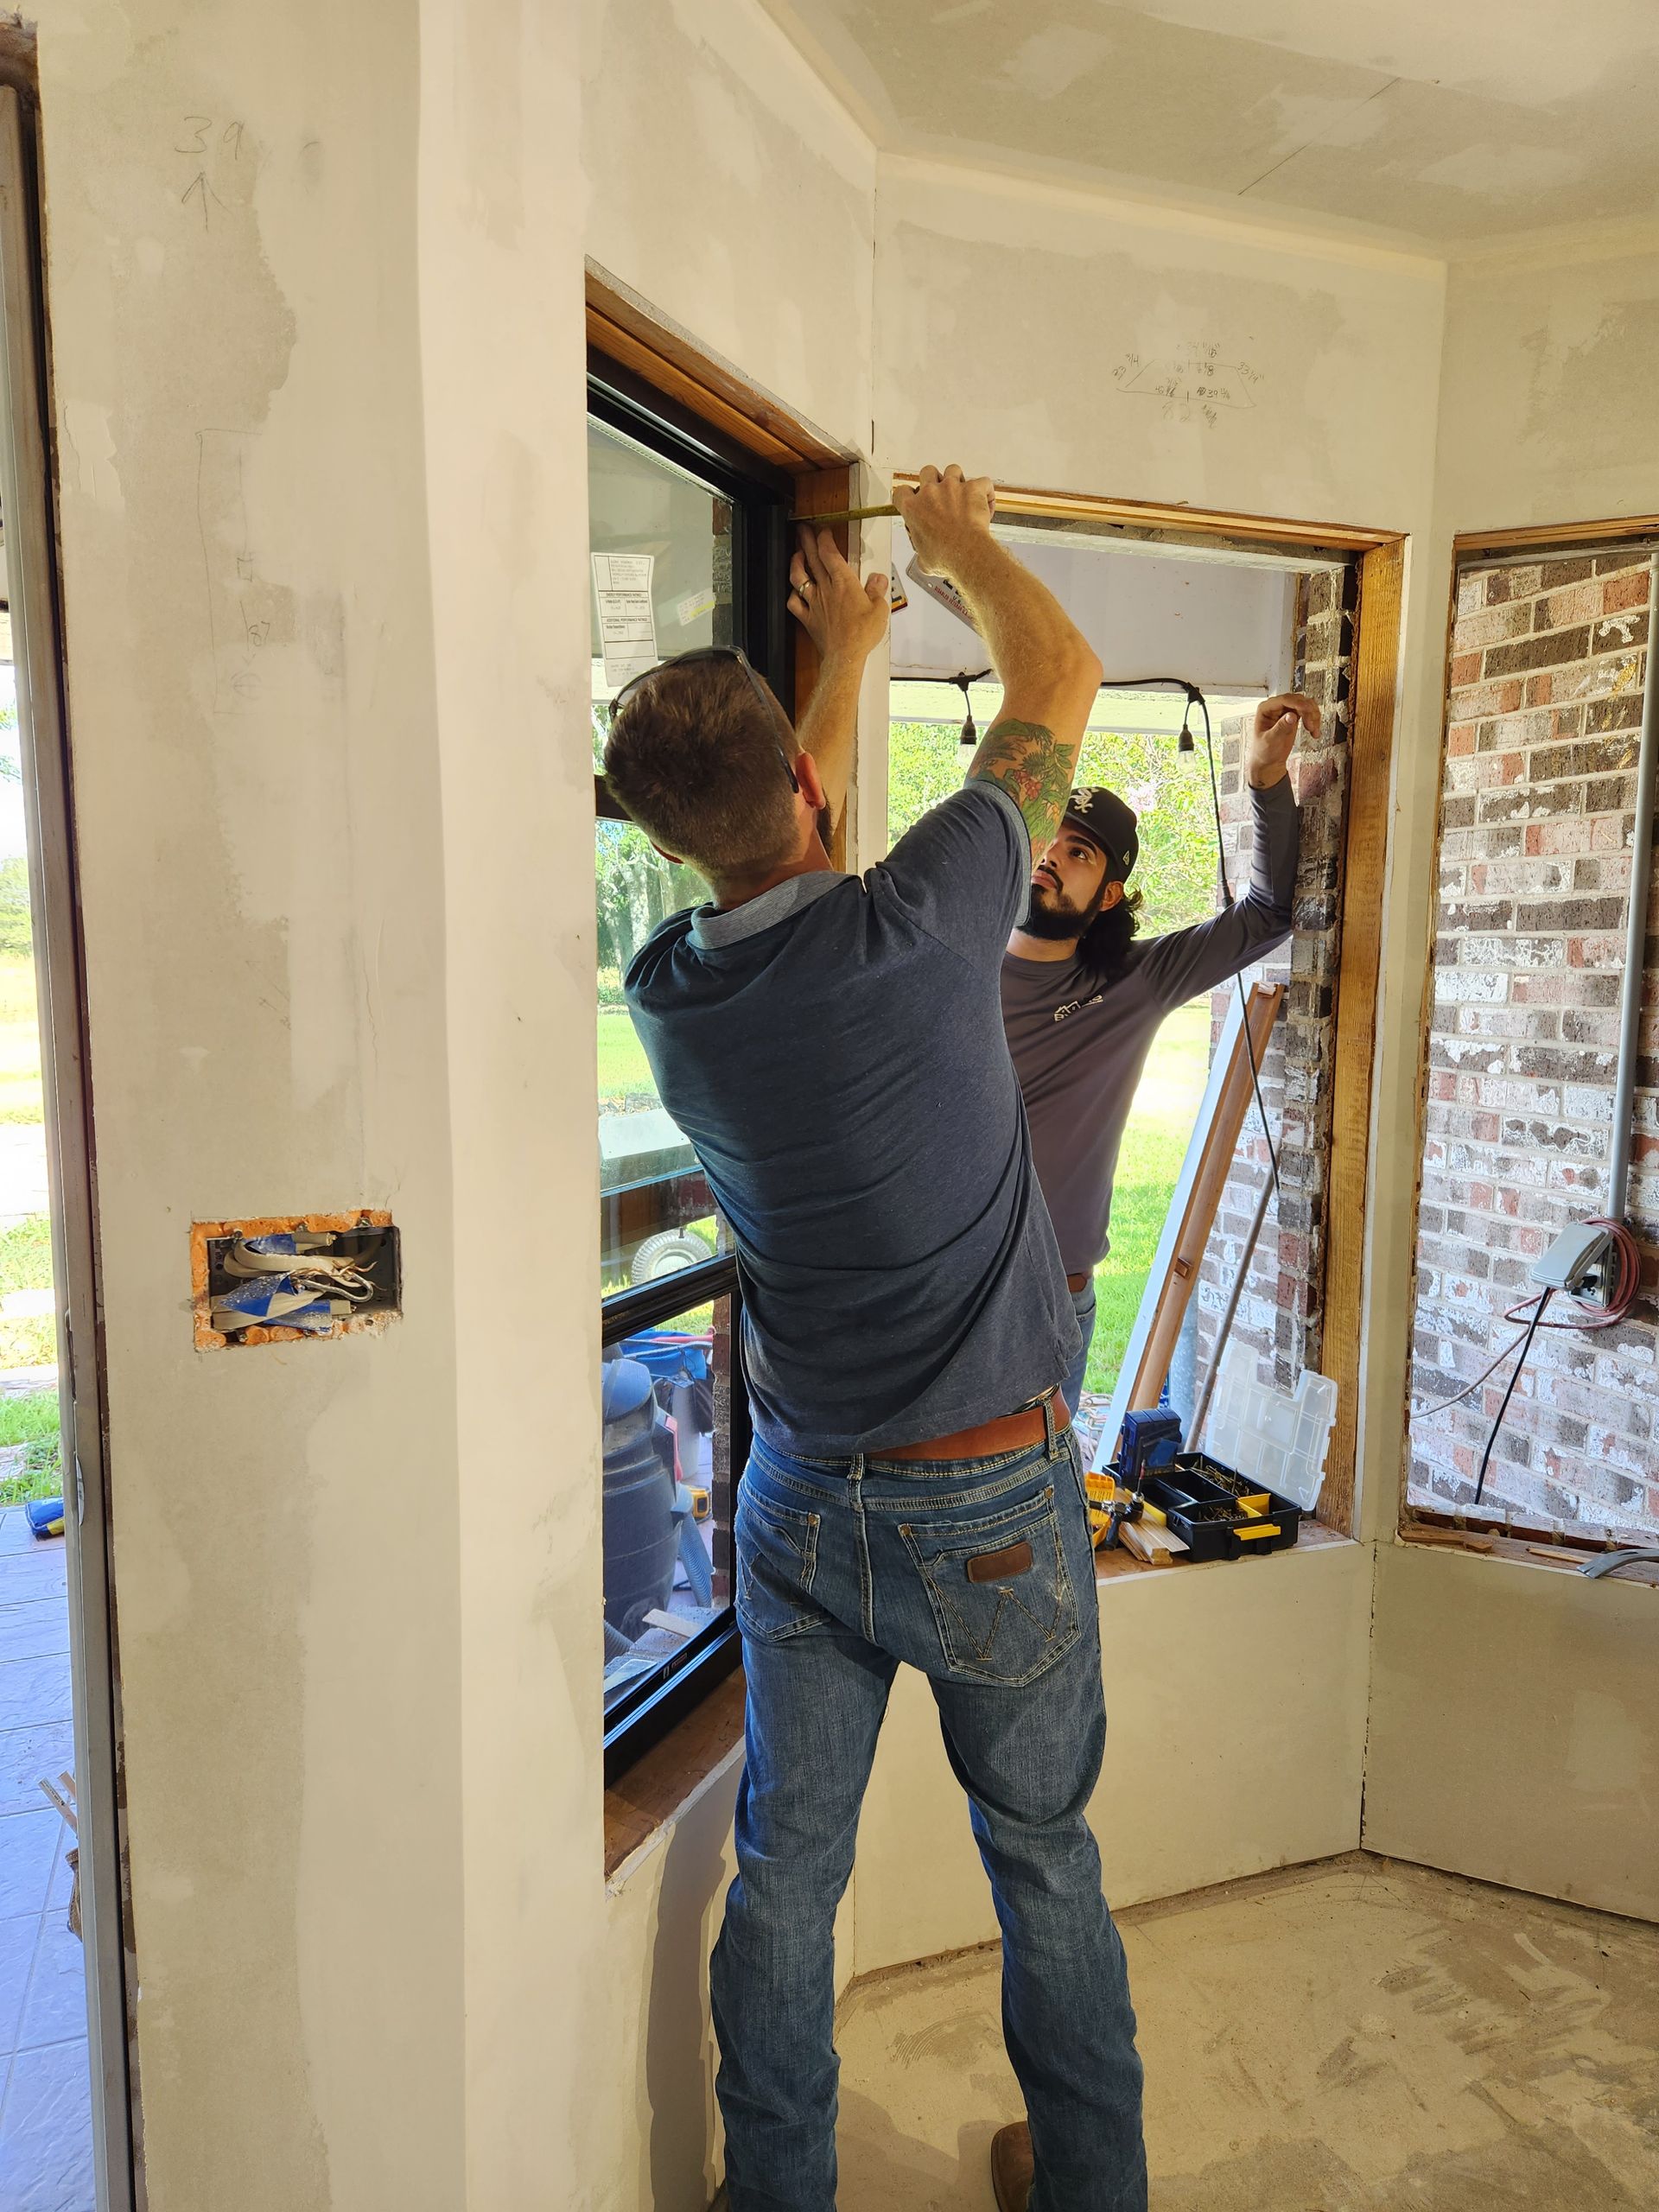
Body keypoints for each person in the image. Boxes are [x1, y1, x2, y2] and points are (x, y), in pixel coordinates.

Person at [604, 464, 1146, 2212]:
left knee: (784, 1879)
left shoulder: (675, 996)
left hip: (803, 1504)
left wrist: (843, 650)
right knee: (1045, 1861)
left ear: (665, 840)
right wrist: (959, 548)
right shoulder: (930, 924)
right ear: (808, 778)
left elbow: (786, 842)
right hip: (987, 1502)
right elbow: (1056, 670)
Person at [1000, 692, 1319, 1420]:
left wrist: (1265, 783)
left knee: (1042, 1511)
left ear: (1109, 895)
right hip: (951, 1305)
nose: (1051, 855)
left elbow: (1267, 914)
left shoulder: (1133, 983)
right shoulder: (950, 968)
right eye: (1047, 837)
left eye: (1078, 851)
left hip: (1056, 1309)